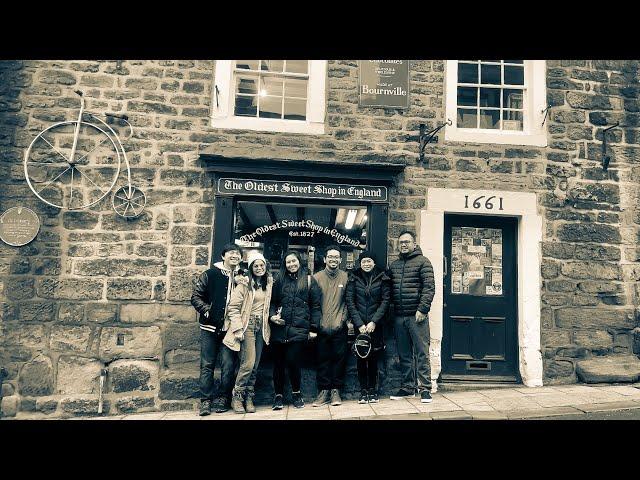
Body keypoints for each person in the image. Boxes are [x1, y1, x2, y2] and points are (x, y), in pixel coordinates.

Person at [191, 243, 247, 416]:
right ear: (223, 256)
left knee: (228, 365)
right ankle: (205, 401)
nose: (234, 256)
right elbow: (195, 296)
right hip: (210, 326)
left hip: (230, 328)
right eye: (231, 253)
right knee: (207, 365)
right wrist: (207, 311)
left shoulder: (241, 276)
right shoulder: (210, 274)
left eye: (237, 254)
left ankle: (224, 398)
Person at [269, 250, 322, 410]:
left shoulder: (308, 280)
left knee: (293, 361)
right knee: (278, 364)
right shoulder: (279, 280)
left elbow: (316, 306)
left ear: (299, 262)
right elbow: (272, 302)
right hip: (280, 327)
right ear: (285, 265)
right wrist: (272, 316)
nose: (291, 264)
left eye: (294, 261)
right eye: (288, 262)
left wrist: (313, 328)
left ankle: (296, 393)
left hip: (299, 328)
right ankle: (278, 396)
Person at [388, 230, 435, 403]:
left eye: (407, 242)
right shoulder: (394, 265)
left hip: (417, 316)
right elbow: (388, 290)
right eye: (401, 242)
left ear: (414, 244)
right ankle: (408, 388)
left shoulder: (423, 262)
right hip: (400, 316)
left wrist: (422, 309)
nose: (404, 245)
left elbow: (429, 287)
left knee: (422, 353)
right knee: (404, 354)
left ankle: (425, 388)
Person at [223, 252, 273, 414]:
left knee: (256, 365)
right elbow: (233, 307)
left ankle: (249, 397)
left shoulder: (269, 283)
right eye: (256, 266)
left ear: (266, 266)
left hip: (261, 327)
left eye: (262, 265)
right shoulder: (244, 284)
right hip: (247, 326)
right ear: (251, 268)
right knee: (248, 363)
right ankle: (237, 397)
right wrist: (237, 328)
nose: (259, 268)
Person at [345, 251, 391, 404]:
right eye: (364, 261)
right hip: (360, 327)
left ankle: (372, 390)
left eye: (369, 261)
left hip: (375, 326)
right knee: (360, 358)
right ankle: (363, 391)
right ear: (360, 263)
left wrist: (374, 322)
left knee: (373, 359)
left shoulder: (382, 277)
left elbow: (385, 301)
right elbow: (350, 302)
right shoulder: (353, 277)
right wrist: (359, 324)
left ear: (374, 263)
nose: (366, 264)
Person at [312, 245, 349, 407]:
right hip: (322, 327)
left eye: (336, 257)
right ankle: (324, 391)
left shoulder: (346, 277)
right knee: (322, 360)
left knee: (339, 360)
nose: (333, 259)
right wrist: (317, 324)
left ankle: (336, 391)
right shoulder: (316, 277)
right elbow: (313, 304)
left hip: (340, 327)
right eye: (330, 257)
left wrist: (344, 320)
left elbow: (349, 302)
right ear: (325, 259)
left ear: (340, 260)